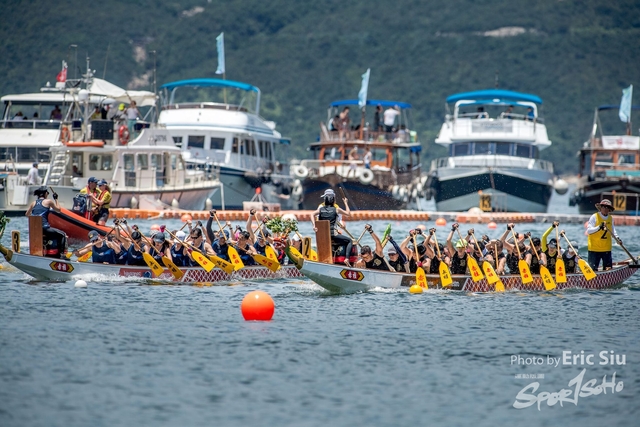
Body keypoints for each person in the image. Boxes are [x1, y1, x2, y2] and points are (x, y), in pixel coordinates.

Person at [311, 189, 352, 265]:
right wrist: (345, 203)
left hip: (322, 236)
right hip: (333, 235)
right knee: (349, 241)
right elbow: (348, 213)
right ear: (333, 201)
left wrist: (314, 225)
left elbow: (312, 214)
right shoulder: (337, 209)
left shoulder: (320, 209)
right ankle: (346, 259)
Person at [25, 186, 66, 258]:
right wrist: (56, 199)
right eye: (47, 193)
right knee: (62, 234)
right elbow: (58, 210)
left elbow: (27, 214)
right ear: (45, 193)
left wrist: (35, 217)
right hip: (44, 228)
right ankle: (62, 255)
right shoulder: (48, 201)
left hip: (35, 230)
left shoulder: (33, 203)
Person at [586, 199, 621, 271]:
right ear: (600, 207)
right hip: (594, 249)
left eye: (607, 207)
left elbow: (613, 231)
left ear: (609, 209)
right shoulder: (594, 216)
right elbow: (589, 231)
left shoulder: (610, 218)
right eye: (603, 207)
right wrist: (599, 227)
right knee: (593, 270)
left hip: (606, 249)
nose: (605, 209)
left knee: (608, 269)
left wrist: (617, 238)